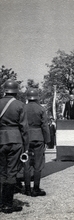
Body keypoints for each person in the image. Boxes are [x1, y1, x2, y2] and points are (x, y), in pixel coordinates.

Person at [0, 79, 29, 214]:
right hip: (15, 140)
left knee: (1, 171)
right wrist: (26, 146)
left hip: (1, 139)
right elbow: (24, 127)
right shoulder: (20, 105)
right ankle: (7, 204)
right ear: (16, 91)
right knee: (11, 172)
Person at [24, 89, 51, 197]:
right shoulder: (41, 109)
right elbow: (45, 126)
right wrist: (47, 140)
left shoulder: (23, 108)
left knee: (26, 164)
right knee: (37, 164)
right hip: (38, 137)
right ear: (37, 97)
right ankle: (36, 188)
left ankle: (27, 188)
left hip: (26, 138)